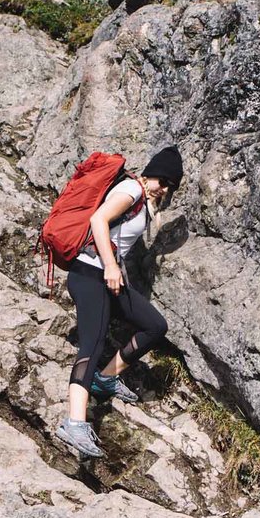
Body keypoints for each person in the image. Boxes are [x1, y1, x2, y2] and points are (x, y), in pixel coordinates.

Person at [56, 146, 183, 458]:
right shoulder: (130, 190)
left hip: (108, 278)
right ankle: (73, 423)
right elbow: (99, 220)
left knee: (155, 326)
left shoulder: (143, 202)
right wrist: (111, 267)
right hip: (90, 274)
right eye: (162, 181)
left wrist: (115, 270)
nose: (164, 189)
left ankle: (105, 378)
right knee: (91, 346)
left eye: (170, 187)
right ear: (151, 173)